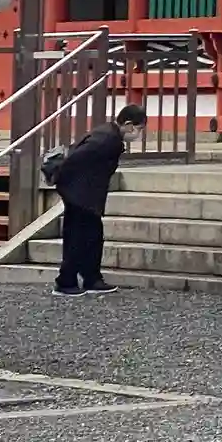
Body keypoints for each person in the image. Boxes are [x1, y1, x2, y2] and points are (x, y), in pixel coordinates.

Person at [52, 102, 147, 297]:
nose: (138, 134)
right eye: (139, 129)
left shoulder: (107, 134)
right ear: (129, 125)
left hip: (84, 193)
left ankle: (91, 278)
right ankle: (66, 281)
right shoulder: (107, 139)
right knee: (78, 237)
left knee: (93, 236)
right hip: (80, 193)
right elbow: (75, 159)